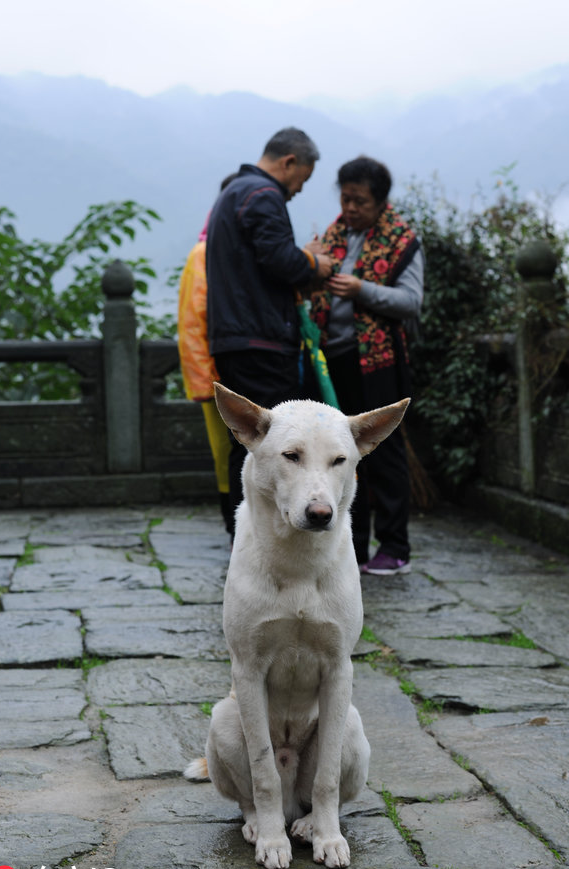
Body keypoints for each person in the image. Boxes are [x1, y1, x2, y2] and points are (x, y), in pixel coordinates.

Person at [206, 127, 333, 519]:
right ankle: (267, 532)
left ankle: (241, 531)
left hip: (234, 337)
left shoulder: (234, 192)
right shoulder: (263, 194)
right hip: (260, 339)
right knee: (277, 442)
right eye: (303, 179)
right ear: (289, 162)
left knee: (248, 441)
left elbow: (260, 258)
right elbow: (279, 261)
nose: (298, 190)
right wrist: (316, 263)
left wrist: (298, 255)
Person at [309, 156, 424, 575]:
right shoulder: (335, 234)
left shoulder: (401, 240)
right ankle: (351, 548)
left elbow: (411, 302)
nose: (351, 208)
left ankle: (394, 548)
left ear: (380, 202)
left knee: (386, 453)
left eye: (360, 201)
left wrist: (362, 289)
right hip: (332, 359)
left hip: (378, 361)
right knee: (340, 453)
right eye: (345, 199)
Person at [177, 175, 238, 536]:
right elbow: (192, 320)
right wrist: (207, 382)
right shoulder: (204, 253)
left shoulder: (230, 248)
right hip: (217, 374)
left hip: (235, 370)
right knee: (225, 453)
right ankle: (234, 529)